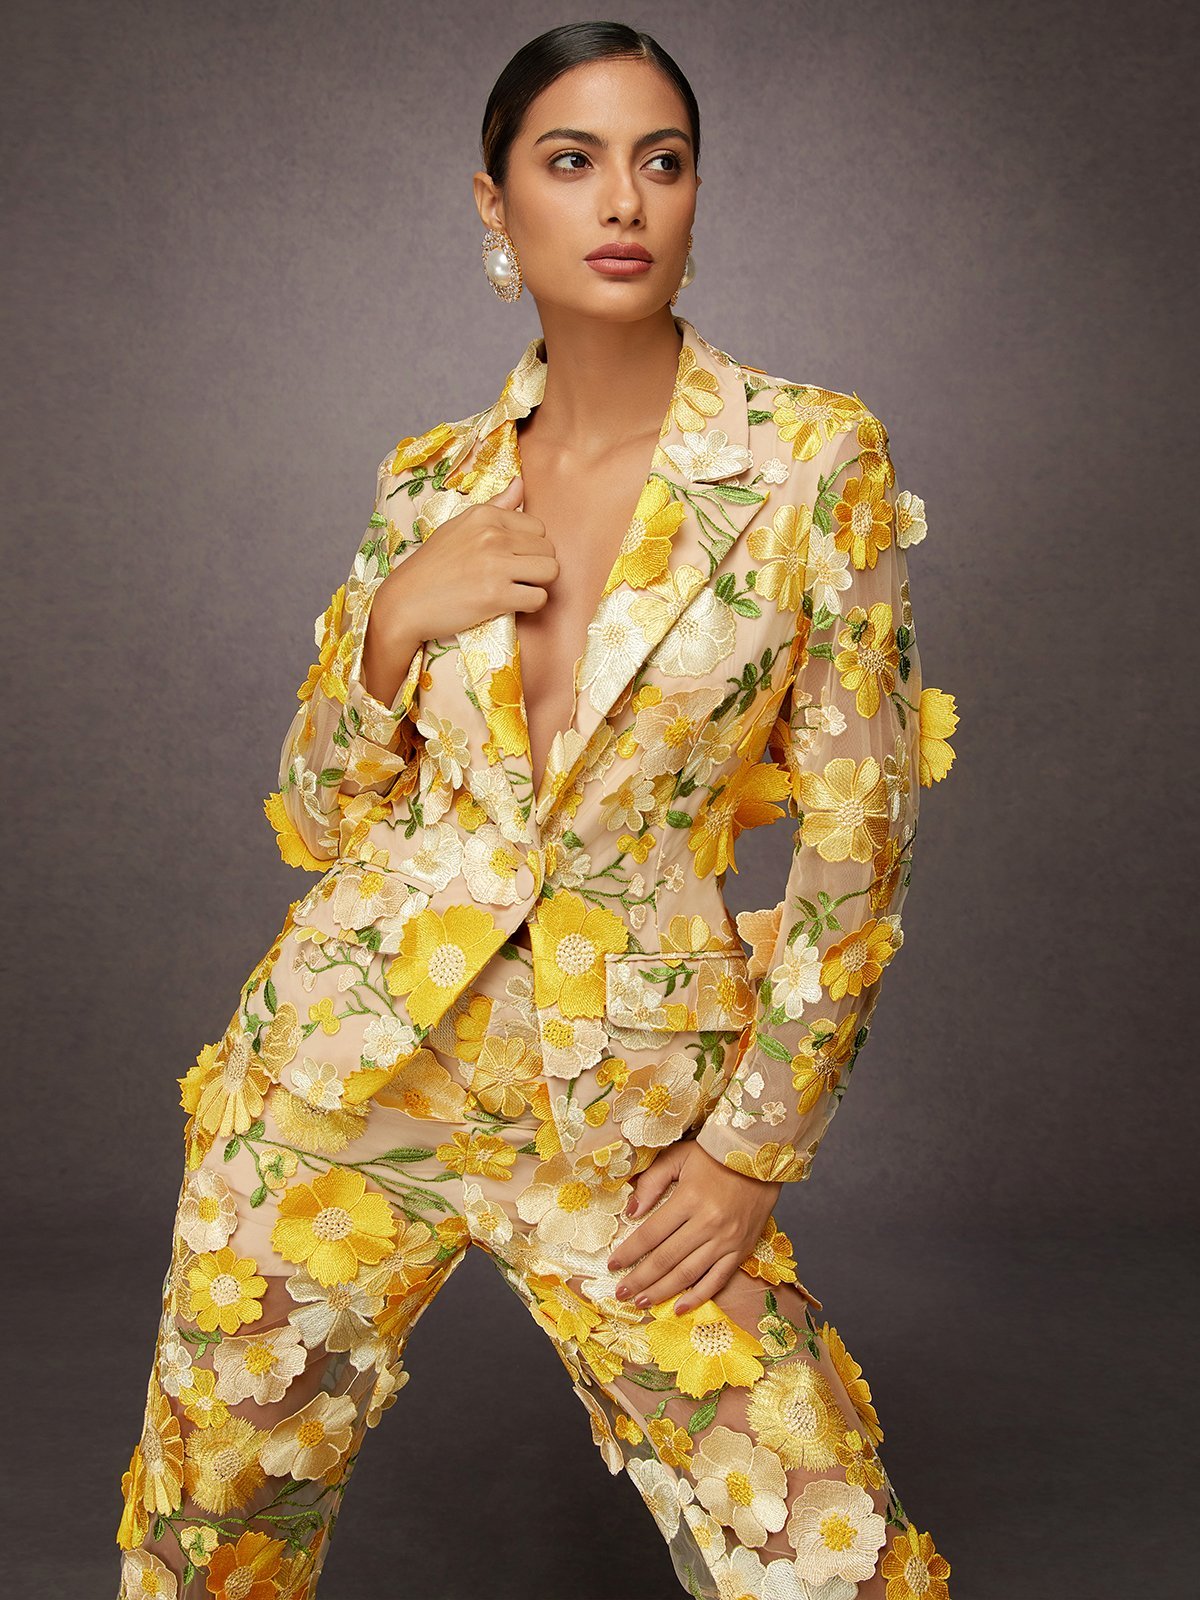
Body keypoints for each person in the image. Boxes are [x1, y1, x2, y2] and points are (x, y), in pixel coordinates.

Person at [114, 21, 960, 1600]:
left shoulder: (807, 460)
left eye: (662, 161)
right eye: (573, 162)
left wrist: (752, 1153)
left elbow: (861, 845)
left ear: (694, 192)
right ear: (496, 207)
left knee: (818, 1553)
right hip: (342, 1081)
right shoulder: (429, 481)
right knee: (208, 1542)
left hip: (627, 1115)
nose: (623, 200)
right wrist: (392, 626)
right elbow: (321, 812)